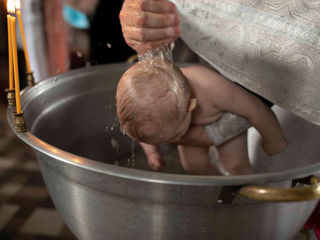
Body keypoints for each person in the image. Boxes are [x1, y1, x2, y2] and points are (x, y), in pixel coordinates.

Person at [116, 58, 287, 175]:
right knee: (193, 166)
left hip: (225, 121)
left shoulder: (213, 88)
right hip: (187, 126)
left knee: (234, 164)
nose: (174, 141)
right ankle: (217, 188)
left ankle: (247, 191)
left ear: (191, 106)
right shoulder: (149, 112)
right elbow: (145, 134)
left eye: (174, 136)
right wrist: (152, 153)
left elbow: (255, 109)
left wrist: (273, 139)